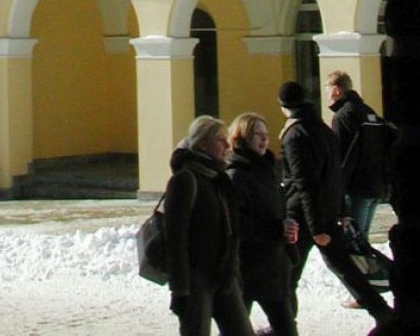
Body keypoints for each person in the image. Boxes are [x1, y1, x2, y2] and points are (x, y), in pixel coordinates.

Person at [278, 80, 391, 322]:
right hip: (327, 211)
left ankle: (284, 324)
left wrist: (316, 227)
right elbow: (335, 175)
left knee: (289, 275)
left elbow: (306, 183)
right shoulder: (323, 129)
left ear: (284, 107)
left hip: (304, 216)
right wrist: (340, 210)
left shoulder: (295, 135)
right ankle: (382, 312)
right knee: (346, 269)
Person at [164, 115, 253, 336]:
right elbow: (175, 237)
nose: (226, 145)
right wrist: (180, 288)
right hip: (196, 279)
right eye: (219, 140)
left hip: (224, 275)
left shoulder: (219, 178)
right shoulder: (186, 179)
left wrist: (234, 269)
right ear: (202, 143)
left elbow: (231, 229)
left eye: (226, 140)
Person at [227, 112, 299, 336]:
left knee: (286, 328)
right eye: (257, 134)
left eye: (266, 134)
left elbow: (276, 209)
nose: (264, 139)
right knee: (236, 329)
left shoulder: (266, 170)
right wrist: (276, 228)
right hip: (247, 267)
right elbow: (237, 224)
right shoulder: (236, 175)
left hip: (273, 266)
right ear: (242, 137)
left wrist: (287, 229)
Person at [326, 69, 393, 237]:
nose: (326, 92)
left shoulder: (343, 116)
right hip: (375, 185)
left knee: (353, 242)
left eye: (327, 87)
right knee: (362, 240)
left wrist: (337, 189)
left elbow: (343, 156)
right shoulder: (369, 112)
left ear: (337, 90)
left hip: (356, 188)